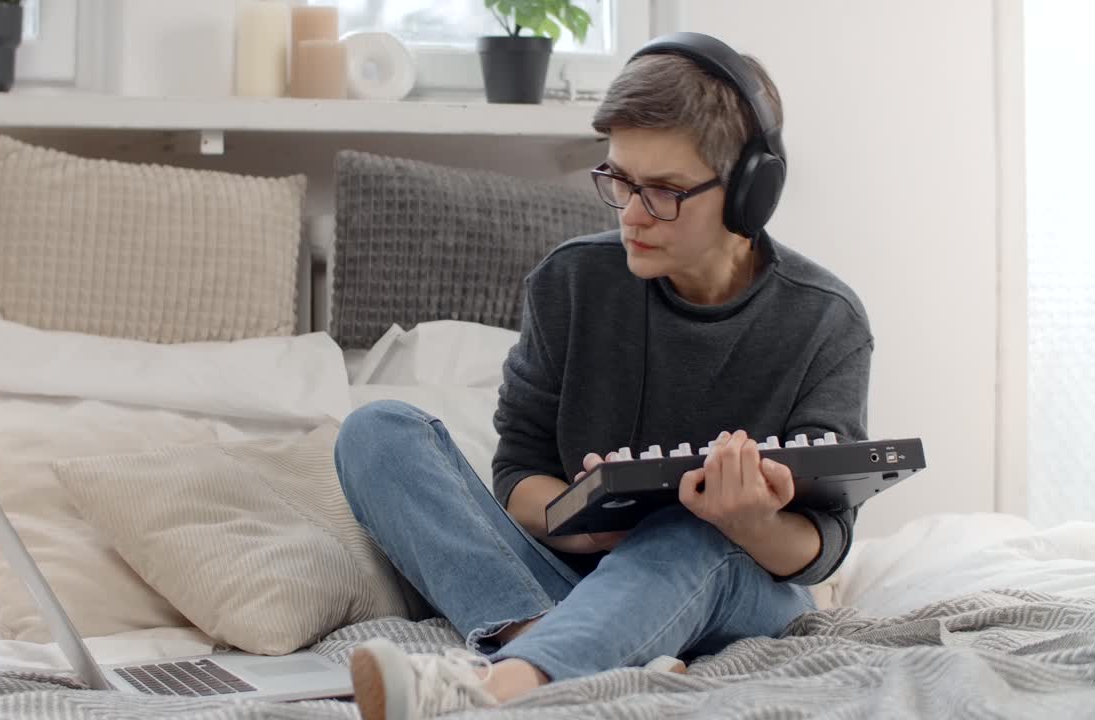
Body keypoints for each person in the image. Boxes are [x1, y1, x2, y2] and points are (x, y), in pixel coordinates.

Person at [333, 32, 873, 720]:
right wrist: (584, 522)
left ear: (749, 193)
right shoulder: (569, 282)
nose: (632, 215)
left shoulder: (826, 319)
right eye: (619, 180)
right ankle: (550, 643)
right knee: (377, 431)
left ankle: (495, 688)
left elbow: (824, 545)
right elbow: (518, 476)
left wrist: (750, 521)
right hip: (574, 575)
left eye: (665, 191)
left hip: (735, 582)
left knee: (688, 527)